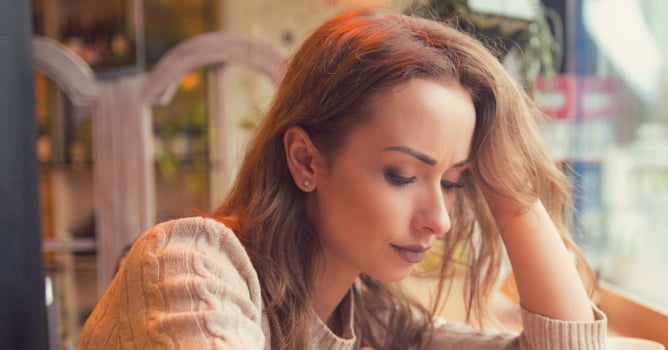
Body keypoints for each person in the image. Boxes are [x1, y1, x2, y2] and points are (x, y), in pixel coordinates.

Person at [78, 8, 606, 350]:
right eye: (403, 175)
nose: (440, 220)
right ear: (306, 160)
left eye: (452, 182)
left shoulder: (374, 322)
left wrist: (513, 198)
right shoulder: (190, 265)